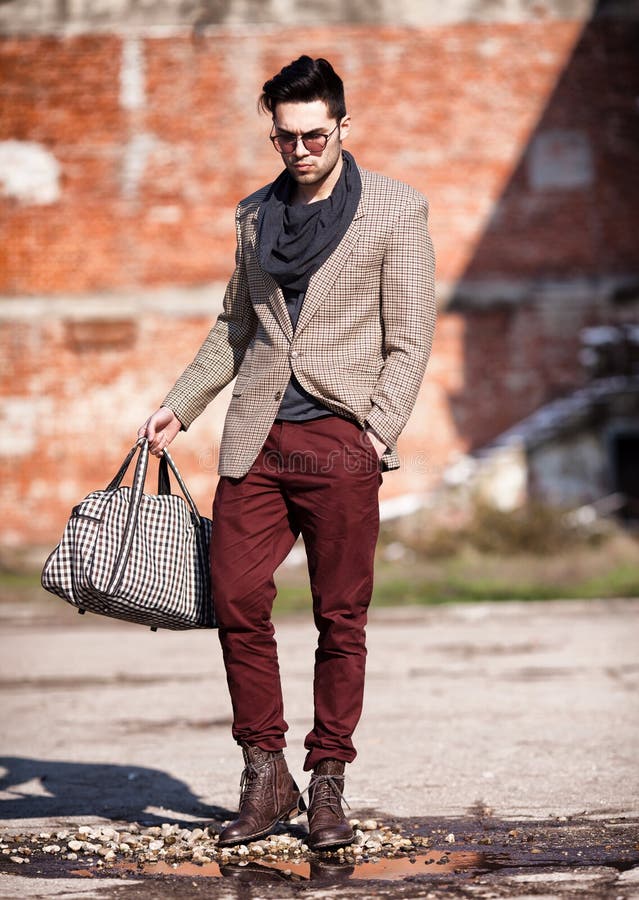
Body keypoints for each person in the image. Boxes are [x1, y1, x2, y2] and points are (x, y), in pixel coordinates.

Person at [139, 55, 436, 851]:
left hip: (341, 442)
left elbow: (409, 339)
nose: (300, 148)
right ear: (271, 132)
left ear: (342, 125)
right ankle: (265, 776)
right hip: (256, 441)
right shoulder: (252, 216)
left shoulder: (395, 211)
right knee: (234, 599)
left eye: (314, 133)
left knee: (340, 619)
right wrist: (180, 405)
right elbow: (232, 327)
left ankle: (328, 781)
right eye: (285, 136)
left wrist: (376, 434)